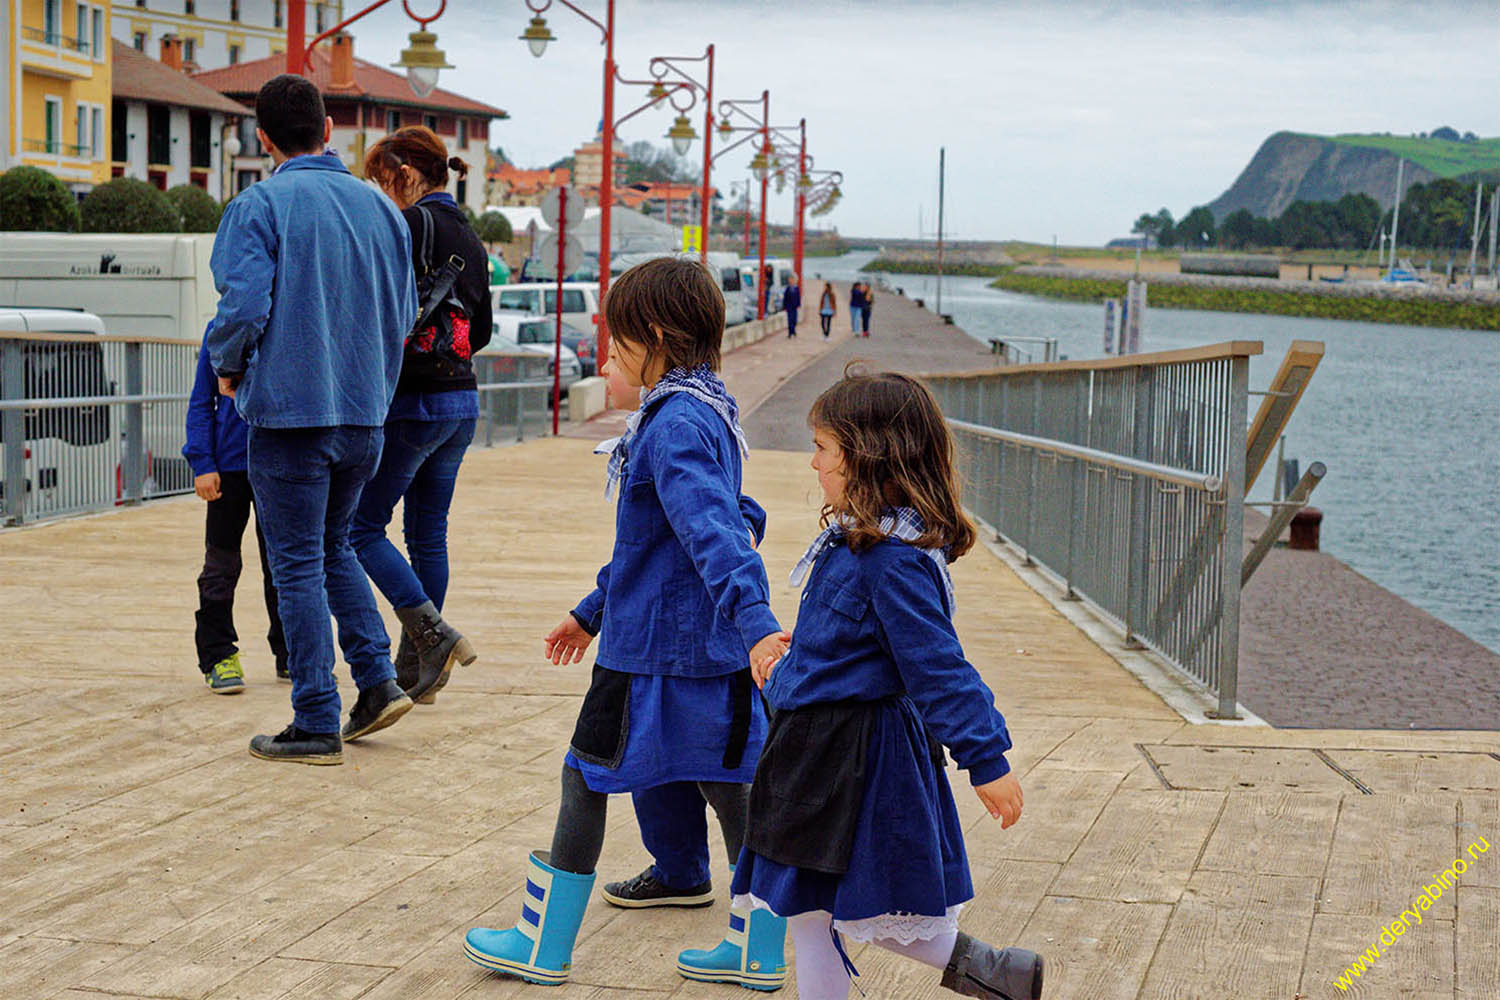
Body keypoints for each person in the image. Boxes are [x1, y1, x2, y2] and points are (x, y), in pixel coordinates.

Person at [464, 257, 791, 988]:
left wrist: (758, 621)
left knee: (585, 776)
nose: (609, 360)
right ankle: (755, 948)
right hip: (707, 648)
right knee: (729, 781)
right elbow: (676, 542)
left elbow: (710, 533)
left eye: (615, 347)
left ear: (654, 338)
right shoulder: (710, 410)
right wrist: (589, 613)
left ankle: (541, 945)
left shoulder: (671, 425)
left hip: (652, 653)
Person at [731, 369, 1045, 1000]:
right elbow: (857, 643)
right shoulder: (857, 541)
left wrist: (985, 758)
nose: (814, 462)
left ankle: (998, 974)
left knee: (861, 906)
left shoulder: (894, 559)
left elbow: (937, 666)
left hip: (857, 760)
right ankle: (999, 976)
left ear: (867, 456)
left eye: (824, 448)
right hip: (816, 750)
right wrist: (803, 657)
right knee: (811, 910)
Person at [207, 74, 419, 765]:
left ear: (262, 138)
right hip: (364, 414)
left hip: (291, 415)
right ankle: (379, 682)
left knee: (296, 561)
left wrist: (228, 365)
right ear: (330, 131)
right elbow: (406, 313)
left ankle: (316, 719)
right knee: (335, 549)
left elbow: (242, 308)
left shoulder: (260, 205)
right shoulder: (382, 208)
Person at [349, 126, 490, 705]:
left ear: (405, 172)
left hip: (412, 402)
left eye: (383, 181)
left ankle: (431, 639)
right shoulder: (473, 237)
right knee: (428, 533)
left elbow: (374, 307)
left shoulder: (407, 226)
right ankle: (419, 670)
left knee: (359, 526)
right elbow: (478, 331)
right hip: (462, 402)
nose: (383, 194)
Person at [183, 323, 287, 694]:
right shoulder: (221, 329)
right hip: (228, 468)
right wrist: (203, 463)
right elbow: (201, 401)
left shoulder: (293, 321)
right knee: (221, 564)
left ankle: (290, 652)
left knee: (284, 564)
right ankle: (217, 655)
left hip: (282, 464)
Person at [782, 272, 801, 337]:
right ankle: (790, 332)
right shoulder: (787, 288)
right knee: (790, 320)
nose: (791, 280)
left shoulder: (796, 288)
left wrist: (799, 304)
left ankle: (793, 330)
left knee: (794, 320)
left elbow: (798, 297)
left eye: (792, 279)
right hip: (789, 307)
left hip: (794, 307)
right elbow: (785, 298)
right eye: (790, 279)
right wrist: (784, 306)